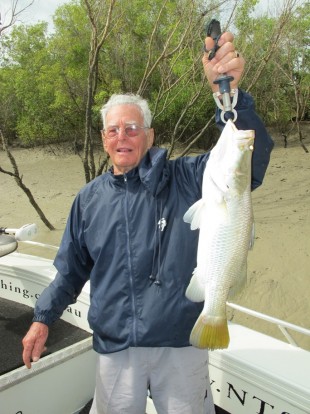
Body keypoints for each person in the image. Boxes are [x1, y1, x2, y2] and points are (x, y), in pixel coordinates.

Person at [22, 31, 274, 414]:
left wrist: (231, 97)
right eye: (113, 130)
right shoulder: (88, 200)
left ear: (150, 135)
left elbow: (246, 164)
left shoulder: (190, 179)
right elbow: (70, 271)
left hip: (181, 341)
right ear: (104, 140)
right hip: (116, 348)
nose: (122, 136)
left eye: (133, 128)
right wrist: (43, 319)